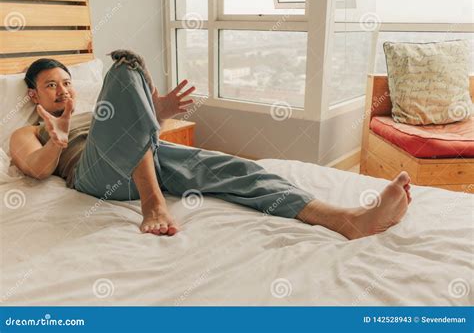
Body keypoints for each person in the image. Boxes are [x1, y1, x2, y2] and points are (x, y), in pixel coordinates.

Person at [9, 52, 412, 240]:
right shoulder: (28, 132)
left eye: (66, 82)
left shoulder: (102, 110)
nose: (62, 90)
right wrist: (58, 140)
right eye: (50, 85)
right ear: (33, 96)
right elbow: (37, 170)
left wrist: (158, 114)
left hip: (146, 158)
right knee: (124, 66)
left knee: (240, 168)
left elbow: (141, 135)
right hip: (97, 174)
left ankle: (344, 219)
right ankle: (154, 204)